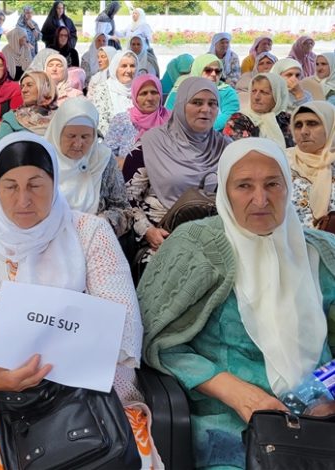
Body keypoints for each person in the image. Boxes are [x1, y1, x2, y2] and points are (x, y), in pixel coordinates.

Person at [0, 130, 158, 469]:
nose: (23, 200)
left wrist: (30, 346)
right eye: (10, 186)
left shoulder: (90, 232)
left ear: (54, 181)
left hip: (94, 396)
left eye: (36, 184)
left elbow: (121, 328)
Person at [139, 137, 335, 469]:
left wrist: (322, 391)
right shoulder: (196, 248)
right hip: (229, 427)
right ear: (225, 191)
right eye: (244, 185)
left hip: (321, 422)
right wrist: (236, 392)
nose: (260, 199)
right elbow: (154, 338)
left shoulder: (321, 251)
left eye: (273, 183)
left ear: (288, 186)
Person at [123, 78, 230, 266]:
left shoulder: (226, 147)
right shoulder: (151, 144)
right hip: (162, 236)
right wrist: (148, 231)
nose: (206, 109)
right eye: (197, 103)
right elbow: (127, 198)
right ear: (180, 105)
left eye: (212, 104)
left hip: (213, 235)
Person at [45, 98, 132, 237]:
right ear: (57, 133)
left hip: (93, 238)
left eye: (85, 137)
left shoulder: (102, 159)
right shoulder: (42, 159)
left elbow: (123, 209)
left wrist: (102, 223)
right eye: (71, 136)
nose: (78, 144)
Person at [287, 101, 335, 229]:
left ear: (330, 126)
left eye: (312, 124)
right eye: (298, 125)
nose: (304, 131)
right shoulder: (281, 162)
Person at [165, 54, 240, 132]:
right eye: (208, 70)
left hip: (217, 138)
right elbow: (169, 115)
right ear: (197, 70)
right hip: (181, 136)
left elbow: (229, 116)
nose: (214, 74)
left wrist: (199, 129)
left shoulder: (227, 91)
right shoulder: (180, 90)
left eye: (217, 71)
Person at [105, 74, 170, 162]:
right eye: (143, 93)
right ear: (135, 96)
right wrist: (125, 164)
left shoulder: (171, 120)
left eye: (154, 92)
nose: (150, 98)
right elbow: (106, 153)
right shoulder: (122, 120)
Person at [223, 73, 293, 149]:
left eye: (264, 92)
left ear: (278, 96)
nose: (256, 97)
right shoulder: (238, 120)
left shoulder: (288, 119)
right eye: (253, 91)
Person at [0, 70, 57, 142]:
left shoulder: (60, 116)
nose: (23, 90)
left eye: (29, 85)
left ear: (44, 87)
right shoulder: (11, 119)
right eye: (22, 87)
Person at [88, 51, 137, 136]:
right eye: (124, 66)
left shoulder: (140, 89)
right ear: (115, 68)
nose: (128, 70)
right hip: (110, 143)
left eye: (132, 66)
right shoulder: (103, 89)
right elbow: (100, 124)